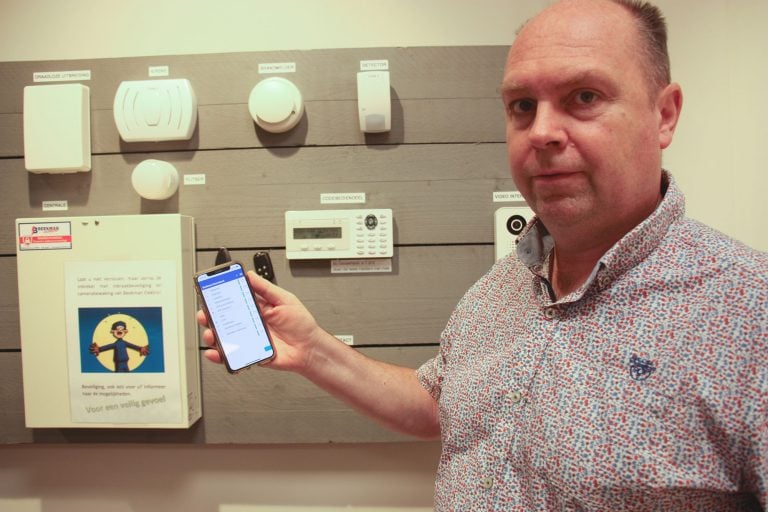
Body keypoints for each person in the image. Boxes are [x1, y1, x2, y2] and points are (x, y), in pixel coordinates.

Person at [199, 0, 767, 509]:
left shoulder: (748, 313)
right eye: (522, 105)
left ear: (664, 114)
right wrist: (312, 349)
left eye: (584, 97)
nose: (542, 132)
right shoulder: (500, 287)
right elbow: (439, 404)